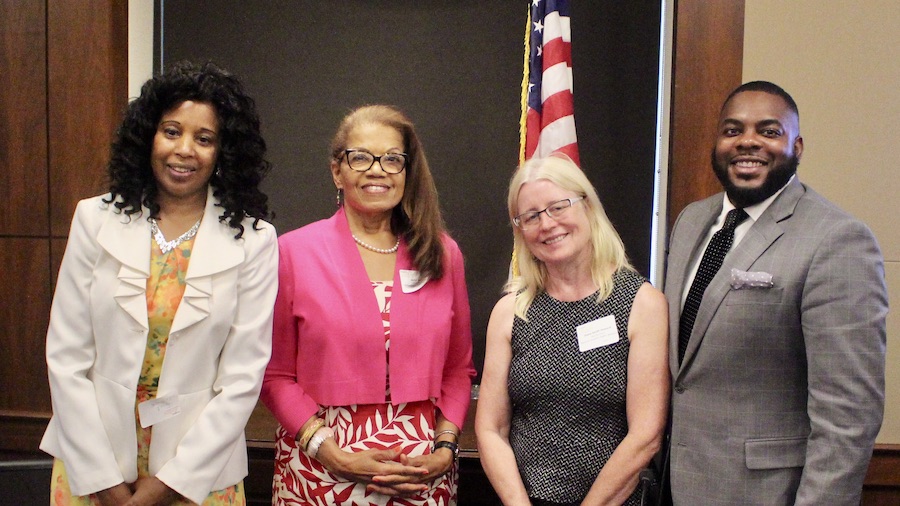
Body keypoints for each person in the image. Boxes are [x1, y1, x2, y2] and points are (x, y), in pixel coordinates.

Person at [39, 61, 279, 505]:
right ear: (148, 136)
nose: (184, 149)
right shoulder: (94, 220)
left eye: (203, 138)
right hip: (93, 458)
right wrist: (104, 481)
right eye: (171, 131)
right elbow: (66, 358)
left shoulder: (255, 242)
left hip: (197, 471)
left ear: (224, 151)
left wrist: (168, 486)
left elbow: (243, 378)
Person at [664, 81, 888, 505]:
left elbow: (849, 416)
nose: (748, 141)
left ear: (798, 147)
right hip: (673, 486)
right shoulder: (692, 221)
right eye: (732, 130)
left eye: (769, 131)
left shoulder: (836, 240)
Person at [260, 104, 476, 504]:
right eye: (360, 157)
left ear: (407, 172)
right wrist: (333, 455)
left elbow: (458, 370)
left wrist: (446, 449)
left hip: (421, 477)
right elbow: (275, 376)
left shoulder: (443, 255)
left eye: (392, 159)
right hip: (321, 470)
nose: (377, 169)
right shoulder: (292, 253)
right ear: (336, 171)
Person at [476, 155, 670, 505]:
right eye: (531, 216)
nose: (547, 224)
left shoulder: (642, 304)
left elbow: (646, 434)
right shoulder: (510, 312)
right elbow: (491, 429)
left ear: (588, 207)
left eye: (558, 207)